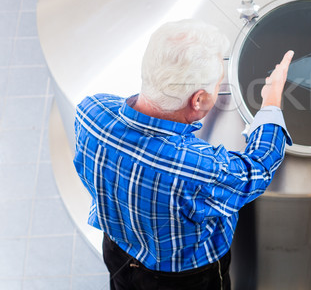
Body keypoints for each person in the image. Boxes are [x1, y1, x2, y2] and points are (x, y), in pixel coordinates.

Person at [73, 19, 294, 289]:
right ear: (198, 100)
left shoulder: (90, 112)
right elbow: (257, 169)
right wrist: (271, 102)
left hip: (118, 252)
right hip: (186, 279)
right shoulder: (197, 167)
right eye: (217, 86)